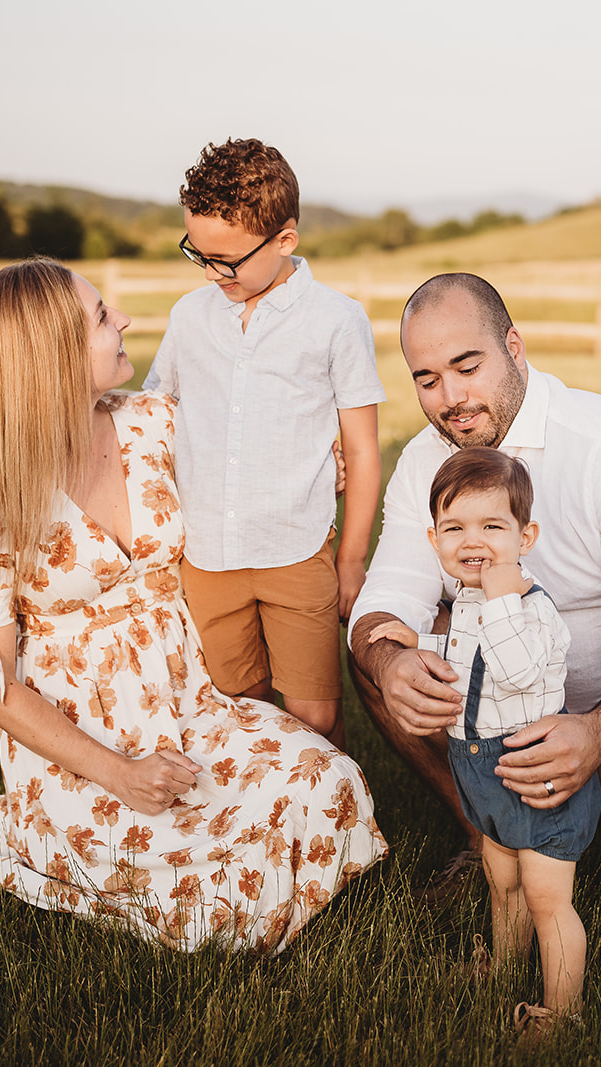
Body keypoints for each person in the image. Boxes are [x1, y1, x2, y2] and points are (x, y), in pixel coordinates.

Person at [0, 258, 385, 952]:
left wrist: (325, 462)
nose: (125, 322)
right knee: (213, 903)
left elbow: (252, 459)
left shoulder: (151, 424)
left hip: (194, 703)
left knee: (332, 782)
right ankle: (32, 822)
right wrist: (121, 775)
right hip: (87, 743)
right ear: (50, 358)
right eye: (103, 317)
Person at [348, 273, 601, 892]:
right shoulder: (423, 462)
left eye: (467, 367)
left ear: (514, 348)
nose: (449, 398)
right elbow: (386, 598)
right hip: (513, 689)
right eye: (426, 380)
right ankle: (486, 832)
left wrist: (596, 733)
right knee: (378, 652)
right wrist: (388, 665)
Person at [144, 138, 384, 748]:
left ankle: (328, 826)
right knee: (233, 709)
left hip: (297, 549)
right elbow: (154, 415)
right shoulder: (189, 317)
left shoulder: (336, 320)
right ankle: (255, 835)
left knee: (315, 718)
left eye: (227, 261)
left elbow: (360, 451)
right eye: (198, 256)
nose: (211, 273)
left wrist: (351, 560)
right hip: (205, 554)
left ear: (284, 240)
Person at [366, 447, 591, 1034]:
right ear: (435, 539)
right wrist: (415, 638)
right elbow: (471, 659)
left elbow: (515, 668)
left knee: (546, 898)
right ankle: (505, 970)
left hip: (532, 772)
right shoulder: (470, 602)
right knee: (503, 883)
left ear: (526, 535)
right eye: (455, 528)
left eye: (493, 527)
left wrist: (500, 597)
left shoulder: (530, 610)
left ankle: (562, 1012)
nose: (474, 541)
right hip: (480, 769)